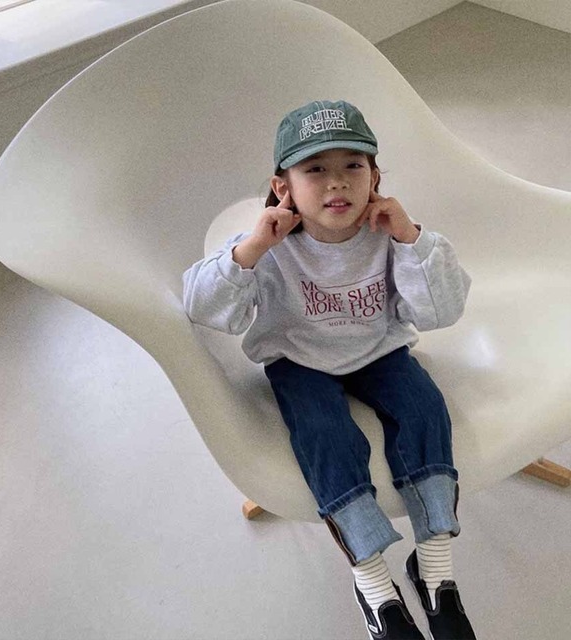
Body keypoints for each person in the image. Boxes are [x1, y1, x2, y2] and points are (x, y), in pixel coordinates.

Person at [183, 100, 476, 640]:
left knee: (424, 411)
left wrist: (411, 238)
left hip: (378, 348)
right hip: (299, 359)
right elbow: (203, 307)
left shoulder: (390, 234)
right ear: (283, 187)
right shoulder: (270, 243)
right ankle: (373, 582)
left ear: (375, 178)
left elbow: (442, 311)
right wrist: (252, 248)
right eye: (315, 169)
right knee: (325, 435)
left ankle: (436, 570)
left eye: (352, 166)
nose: (336, 182)